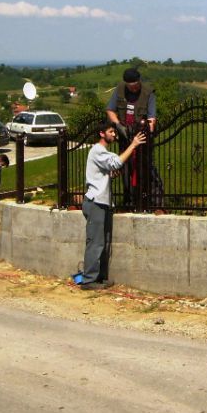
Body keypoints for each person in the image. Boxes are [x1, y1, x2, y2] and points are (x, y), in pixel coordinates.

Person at [79, 122, 146, 290]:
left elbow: (108, 169)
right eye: (111, 132)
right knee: (95, 242)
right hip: (96, 203)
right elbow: (116, 162)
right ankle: (88, 280)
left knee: (103, 242)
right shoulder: (97, 150)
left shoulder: (102, 152)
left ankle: (99, 277)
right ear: (102, 133)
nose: (114, 135)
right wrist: (133, 144)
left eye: (115, 132)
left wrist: (109, 174)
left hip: (103, 203)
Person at [106, 68, 157, 208]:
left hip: (141, 140)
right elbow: (110, 110)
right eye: (130, 86)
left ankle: (144, 201)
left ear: (139, 81)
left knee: (143, 170)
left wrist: (146, 133)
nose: (133, 88)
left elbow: (152, 119)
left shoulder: (148, 93)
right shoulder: (120, 89)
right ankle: (128, 200)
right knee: (125, 169)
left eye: (135, 85)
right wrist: (118, 125)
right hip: (124, 139)